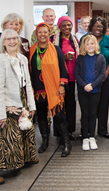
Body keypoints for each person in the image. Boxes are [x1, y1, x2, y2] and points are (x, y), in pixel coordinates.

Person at [0, 29, 38, 185]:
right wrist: (1, 113)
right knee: (8, 137)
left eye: (15, 38)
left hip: (23, 99)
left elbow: (28, 84)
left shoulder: (21, 58)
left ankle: (26, 157)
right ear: (3, 42)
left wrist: (31, 104)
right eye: (8, 39)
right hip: (8, 102)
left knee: (26, 131)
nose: (12, 41)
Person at [29, 23, 71, 157]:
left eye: (45, 32)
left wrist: (62, 85)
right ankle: (45, 141)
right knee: (41, 116)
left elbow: (63, 68)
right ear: (36, 34)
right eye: (40, 32)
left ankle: (66, 142)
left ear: (49, 34)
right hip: (38, 88)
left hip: (54, 87)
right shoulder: (32, 50)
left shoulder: (56, 49)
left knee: (59, 116)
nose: (42, 34)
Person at [79, 16, 109, 139]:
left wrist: (106, 72)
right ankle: (86, 131)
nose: (98, 28)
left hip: (105, 78)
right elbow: (81, 57)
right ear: (91, 26)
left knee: (103, 105)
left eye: (100, 26)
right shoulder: (84, 38)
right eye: (95, 25)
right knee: (88, 107)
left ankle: (102, 130)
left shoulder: (108, 39)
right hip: (87, 80)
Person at [75, 35, 106, 151]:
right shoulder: (80, 58)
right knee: (84, 113)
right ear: (84, 46)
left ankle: (92, 137)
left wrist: (92, 85)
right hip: (83, 91)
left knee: (93, 113)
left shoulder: (101, 58)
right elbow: (76, 75)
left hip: (95, 90)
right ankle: (85, 137)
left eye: (92, 43)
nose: (90, 46)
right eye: (87, 44)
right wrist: (85, 86)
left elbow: (102, 75)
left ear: (95, 45)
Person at [52, 16, 80, 140]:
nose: (66, 28)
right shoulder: (54, 40)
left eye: (68, 25)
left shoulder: (75, 40)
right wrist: (63, 56)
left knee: (70, 104)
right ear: (59, 27)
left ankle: (69, 131)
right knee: (59, 105)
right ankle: (59, 133)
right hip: (59, 78)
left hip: (73, 77)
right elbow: (51, 57)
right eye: (63, 25)